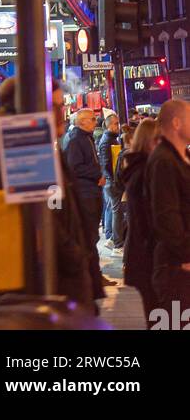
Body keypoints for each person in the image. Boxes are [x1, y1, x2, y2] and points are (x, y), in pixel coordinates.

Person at [0, 81, 98, 319]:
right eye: (54, 106)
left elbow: (56, 207)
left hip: (57, 278)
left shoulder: (43, 146)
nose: (61, 114)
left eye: (60, 106)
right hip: (37, 282)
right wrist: (12, 228)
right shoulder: (23, 141)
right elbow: (46, 217)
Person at [146, 98, 190, 316]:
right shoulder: (164, 160)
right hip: (176, 270)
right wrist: (185, 256)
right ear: (176, 123)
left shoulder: (182, 157)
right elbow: (166, 215)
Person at [115, 117, 159, 323]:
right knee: (161, 315)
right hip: (148, 257)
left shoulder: (136, 168)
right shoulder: (146, 171)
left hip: (142, 255)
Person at [63, 108, 110, 273]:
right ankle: (92, 275)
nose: (95, 121)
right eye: (92, 118)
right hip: (86, 194)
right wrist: (97, 174)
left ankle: (94, 274)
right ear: (81, 122)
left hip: (92, 192)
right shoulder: (76, 140)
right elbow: (75, 167)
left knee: (92, 236)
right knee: (89, 236)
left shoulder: (86, 138)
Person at [99, 112, 123, 246]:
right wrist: (114, 179)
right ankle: (116, 241)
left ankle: (111, 237)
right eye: (116, 124)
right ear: (109, 125)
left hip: (110, 181)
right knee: (116, 211)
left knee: (112, 209)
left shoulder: (109, 139)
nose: (118, 126)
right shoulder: (108, 140)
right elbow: (107, 163)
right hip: (111, 181)